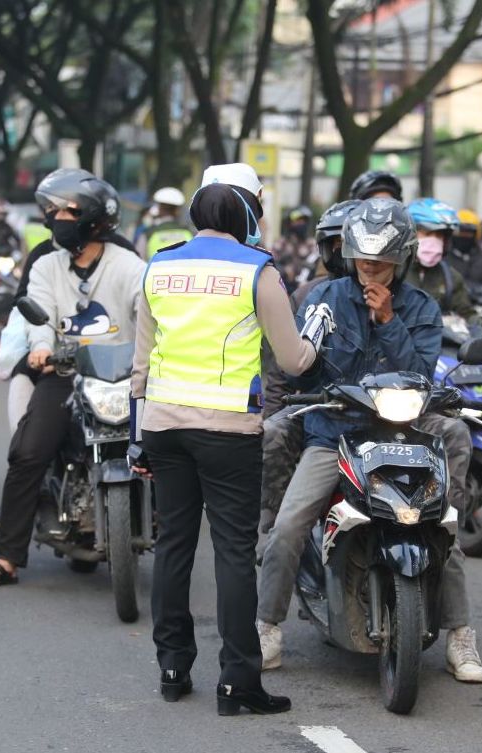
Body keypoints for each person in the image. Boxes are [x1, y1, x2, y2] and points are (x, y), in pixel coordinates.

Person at [256, 197, 482, 684]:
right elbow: (300, 361)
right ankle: (266, 624)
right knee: (288, 526)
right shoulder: (326, 299)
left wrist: (388, 322)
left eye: (381, 264)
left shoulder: (422, 307)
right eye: (364, 262)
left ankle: (461, 636)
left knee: (441, 527)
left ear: (400, 260)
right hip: (334, 433)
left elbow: (421, 371)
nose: (371, 273)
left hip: (403, 432)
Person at [131, 163, 327, 716]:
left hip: (164, 426)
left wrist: (136, 435)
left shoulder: (159, 266)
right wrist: (315, 340)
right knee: (234, 554)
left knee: (173, 546)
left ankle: (172, 668)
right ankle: (237, 681)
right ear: (247, 214)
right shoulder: (258, 270)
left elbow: (140, 364)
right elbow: (292, 359)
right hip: (227, 430)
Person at [0, 171, 145, 587]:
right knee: (27, 452)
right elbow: (41, 315)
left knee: (161, 456)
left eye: (64, 210)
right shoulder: (47, 265)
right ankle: (8, 557)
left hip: (120, 379)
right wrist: (41, 346)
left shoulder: (130, 266)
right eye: (52, 211)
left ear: (90, 216)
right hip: (64, 373)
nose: (54, 218)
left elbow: (148, 314)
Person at [260, 199, 359, 534]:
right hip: (316, 412)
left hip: (381, 418)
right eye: (342, 246)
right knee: (273, 431)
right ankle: (273, 523)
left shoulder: (399, 300)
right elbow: (279, 371)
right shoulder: (306, 296)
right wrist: (275, 411)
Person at [405, 197, 477, 319]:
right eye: (427, 234)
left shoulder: (450, 277)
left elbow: (467, 314)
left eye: (439, 235)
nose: (434, 240)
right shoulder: (391, 272)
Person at [137, 187, 193, 260]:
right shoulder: (189, 233)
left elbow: (139, 260)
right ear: (177, 210)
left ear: (159, 208)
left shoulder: (149, 233)